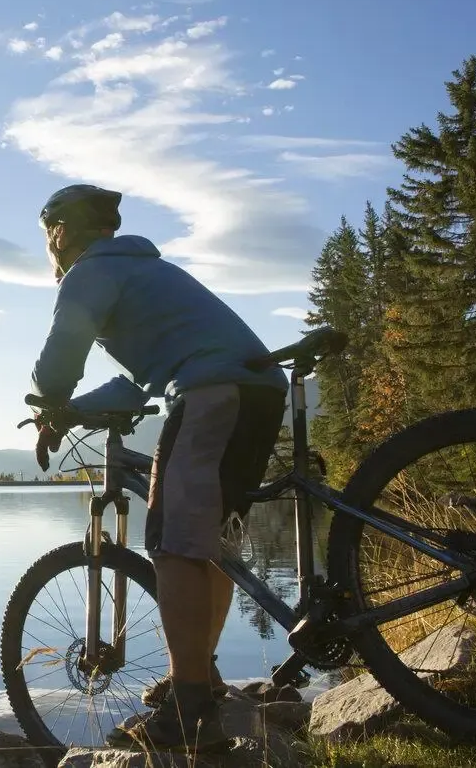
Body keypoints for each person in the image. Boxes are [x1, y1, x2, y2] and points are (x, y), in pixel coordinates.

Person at [26, 183, 289, 754]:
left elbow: (59, 357)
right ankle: (199, 678)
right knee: (208, 545)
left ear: (60, 231)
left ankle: (189, 713)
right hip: (257, 389)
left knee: (173, 546)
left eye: (49, 235)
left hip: (211, 390)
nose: (50, 247)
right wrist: (75, 412)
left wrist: (48, 404)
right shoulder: (141, 269)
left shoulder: (90, 271)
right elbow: (137, 381)